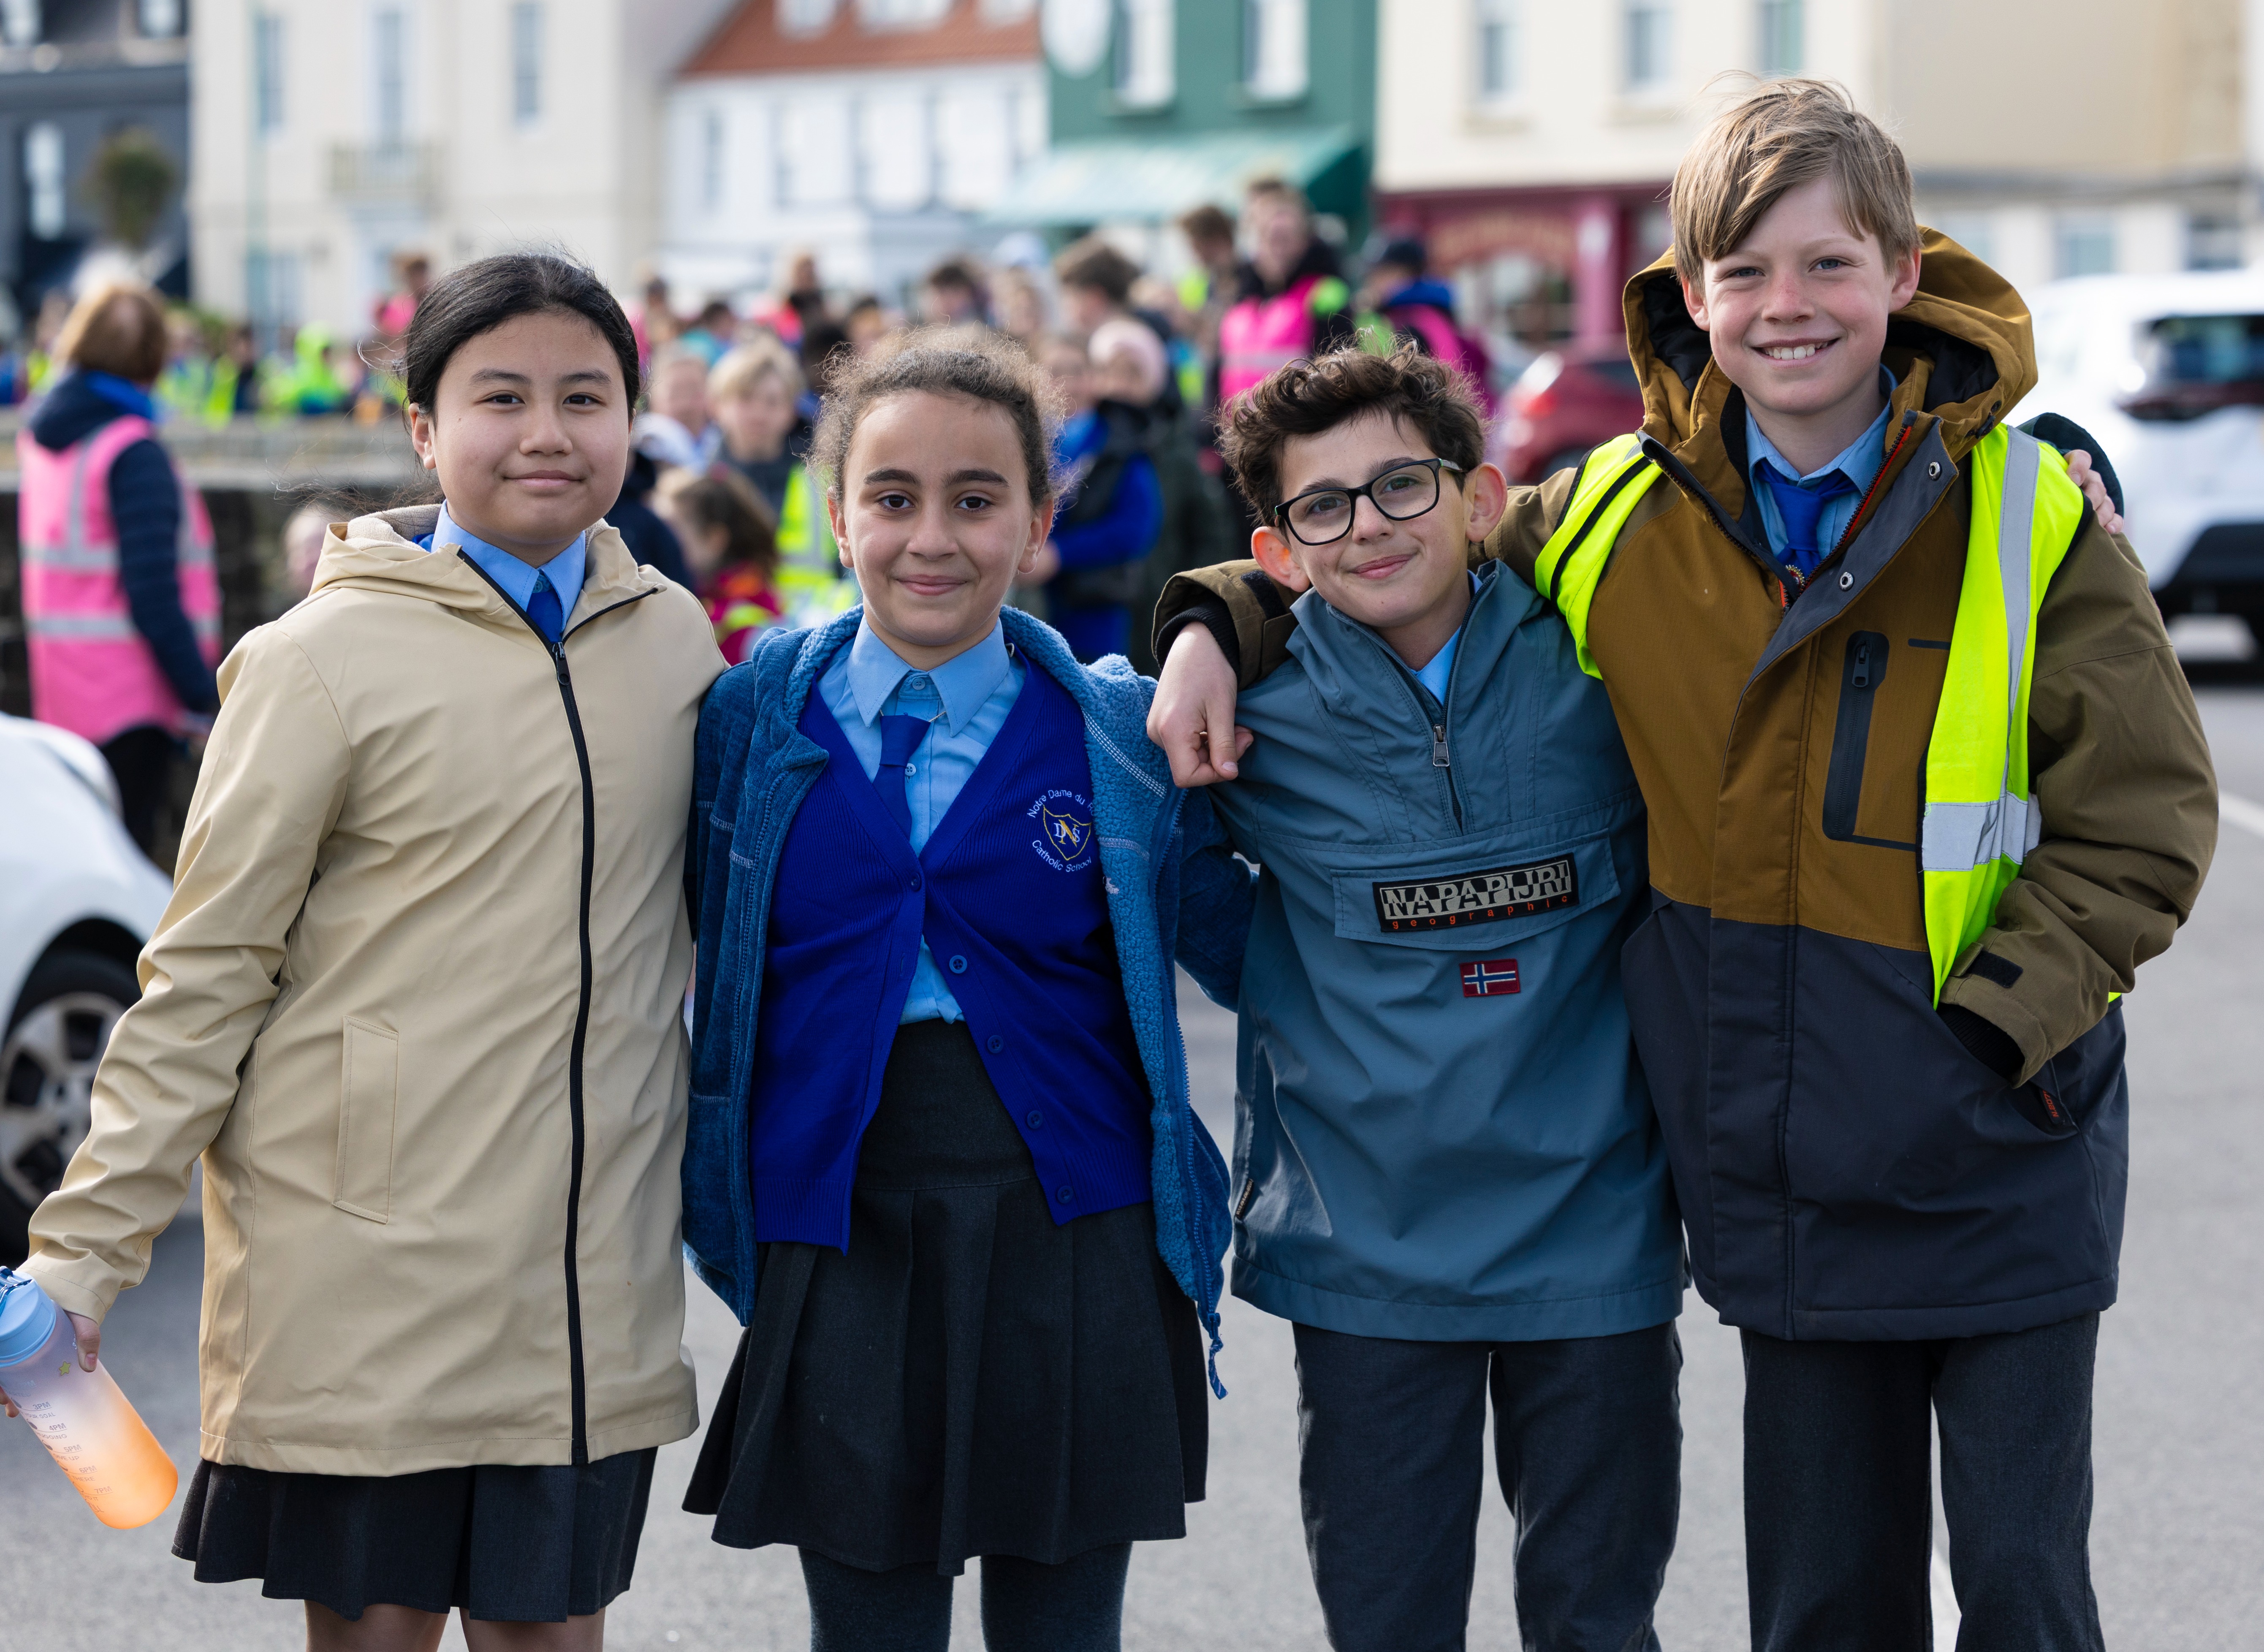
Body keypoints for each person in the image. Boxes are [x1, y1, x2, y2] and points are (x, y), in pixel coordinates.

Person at [1148, 78, 2212, 1652]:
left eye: (1830, 265)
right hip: (1775, 1168)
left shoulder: (2030, 512)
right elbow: (1388, 545)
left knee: (2020, 1591)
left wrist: (1994, 1025)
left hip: (2001, 1149)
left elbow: (2146, 816)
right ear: (1691, 297)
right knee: (1822, 1605)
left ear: (1904, 275)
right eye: (1745, 274)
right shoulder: (1603, 519)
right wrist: (1204, 623)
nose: (1788, 307)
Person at [8, 252, 724, 1649]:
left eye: (587, 397)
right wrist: (82, 1259)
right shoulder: (316, 660)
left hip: (587, 1291)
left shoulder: (678, 643)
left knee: (553, 1637)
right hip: (368, 1276)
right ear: (419, 429)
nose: (546, 432)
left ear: (631, 423)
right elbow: (203, 977)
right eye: (498, 395)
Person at [678, 326, 1253, 1652]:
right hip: (839, 1223)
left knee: (1063, 1631)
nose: (929, 536)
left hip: (1076, 1227)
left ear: (1039, 519)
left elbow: (1251, 947)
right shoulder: (748, 722)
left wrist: (1223, 620)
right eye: (891, 497)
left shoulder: (1121, 729)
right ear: (834, 515)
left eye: (975, 498)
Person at [1207, 340, 1683, 1649]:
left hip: (1594, 1246)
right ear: (1280, 547)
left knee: (1597, 1621)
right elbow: (1187, 890)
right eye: (1323, 506)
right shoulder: (1243, 710)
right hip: (1366, 1259)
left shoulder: (1606, 660)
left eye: (1401, 485)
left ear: (1477, 497)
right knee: (1385, 1622)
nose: (1368, 525)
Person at [16, 279, 220, 855]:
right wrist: (206, 696)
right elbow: (152, 593)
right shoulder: (133, 451)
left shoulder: (45, 439)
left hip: (64, 695)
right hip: (135, 703)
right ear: (153, 359)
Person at [1036, 331, 1161, 663]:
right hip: (1033, 603)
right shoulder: (1025, 443)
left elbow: (1135, 528)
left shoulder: (1121, 443)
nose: (1066, 383)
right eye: (1054, 372)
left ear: (1093, 379)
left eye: (1075, 371)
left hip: (1094, 608)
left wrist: (1060, 554)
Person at [709, 337, 842, 621]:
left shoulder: (824, 480)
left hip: (816, 633)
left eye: (771, 401)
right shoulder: (700, 485)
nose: (758, 413)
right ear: (717, 406)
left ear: (790, 410)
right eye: (745, 399)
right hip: (729, 644)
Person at [1214, 179, 1357, 410]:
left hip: (1294, 435)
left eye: (1285, 238)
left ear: (1304, 242)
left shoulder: (1324, 293)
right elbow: (1220, 370)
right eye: (1266, 236)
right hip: (1239, 436)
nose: (1275, 247)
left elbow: (1340, 381)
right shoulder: (1240, 297)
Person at [655, 466, 783, 663]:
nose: (662, 540)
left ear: (715, 539)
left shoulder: (739, 622)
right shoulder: (711, 593)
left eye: (673, 531)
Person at [1358, 236, 1496, 415]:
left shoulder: (1408, 321)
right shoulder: (1434, 313)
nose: (1372, 282)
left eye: (1382, 273)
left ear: (1406, 274)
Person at [918, 257, 988, 327]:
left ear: (969, 296)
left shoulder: (985, 329)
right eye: (942, 292)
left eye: (956, 292)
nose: (947, 301)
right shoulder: (913, 326)